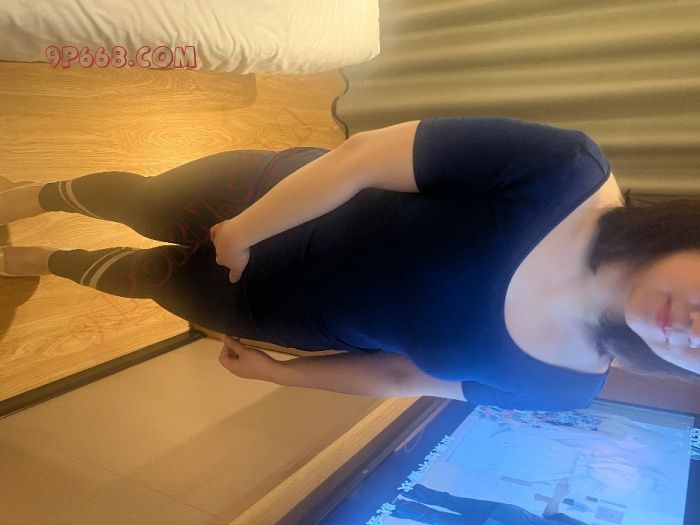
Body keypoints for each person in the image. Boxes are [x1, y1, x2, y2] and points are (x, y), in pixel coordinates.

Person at [2, 116, 699, 409]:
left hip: (273, 313)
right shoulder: (566, 171)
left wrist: (283, 373)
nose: (696, 330)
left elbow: (401, 376)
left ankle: (40, 257)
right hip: (259, 197)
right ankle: (28, 197)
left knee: (144, 281)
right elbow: (366, 156)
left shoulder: (565, 388)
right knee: (139, 201)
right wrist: (244, 230)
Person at [392, 479, 589, 524]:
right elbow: (551, 516)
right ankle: (397, 484)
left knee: (434, 518)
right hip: (504, 512)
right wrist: (558, 496)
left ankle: (388, 504)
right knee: (448, 500)